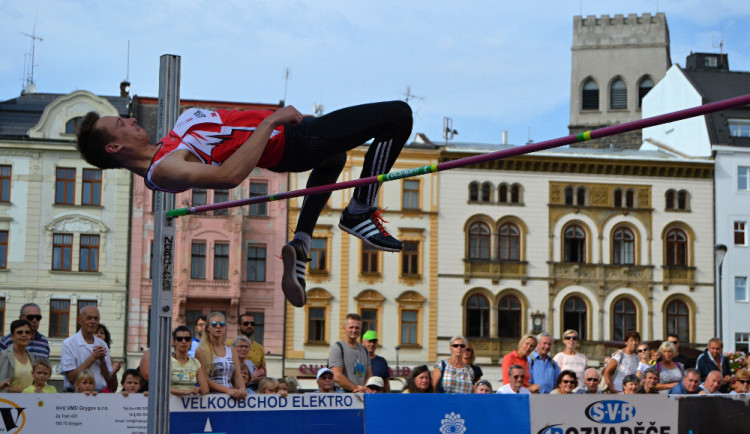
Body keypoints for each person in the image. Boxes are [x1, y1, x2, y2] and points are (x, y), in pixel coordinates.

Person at [77, 102, 414, 308]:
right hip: (291, 141)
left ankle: (301, 241)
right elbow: (228, 176)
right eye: (120, 124)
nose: (130, 121)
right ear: (113, 147)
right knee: (398, 116)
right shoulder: (163, 169)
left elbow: (231, 130)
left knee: (335, 157)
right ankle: (360, 210)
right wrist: (271, 122)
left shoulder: (167, 144)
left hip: (295, 137)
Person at [195, 312, 247, 400]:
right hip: (212, 398)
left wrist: (242, 389)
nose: (218, 327)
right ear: (208, 328)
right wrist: (228, 390)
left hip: (231, 397)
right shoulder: (201, 351)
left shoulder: (232, 349)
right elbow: (205, 379)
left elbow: (237, 375)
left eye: (222, 324)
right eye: (214, 324)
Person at [60, 306, 113, 392]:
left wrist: (102, 361)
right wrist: (93, 358)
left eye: (96, 318)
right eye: (89, 318)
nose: (92, 321)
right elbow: (71, 378)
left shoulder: (102, 344)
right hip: (75, 395)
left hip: (97, 395)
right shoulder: (69, 343)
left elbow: (107, 379)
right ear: (79, 320)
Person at [328, 313, 371, 392]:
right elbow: (337, 376)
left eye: (357, 328)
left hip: (361, 394)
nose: (354, 330)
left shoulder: (365, 350)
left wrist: (365, 388)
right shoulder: (338, 348)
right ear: (344, 328)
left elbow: (369, 376)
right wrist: (356, 389)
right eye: (351, 327)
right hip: (343, 394)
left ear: (361, 330)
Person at [171, 325, 208, 396]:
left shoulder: (195, 362)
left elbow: (205, 389)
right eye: (179, 339)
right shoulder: (167, 362)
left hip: (190, 405)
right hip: (170, 404)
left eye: (187, 339)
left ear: (191, 341)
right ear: (174, 342)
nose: (184, 341)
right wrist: (185, 392)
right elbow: (161, 387)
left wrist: (198, 390)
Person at [0, 319, 37, 392]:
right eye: (19, 332)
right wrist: (27, 390)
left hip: (30, 401)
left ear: (31, 336)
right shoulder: (3, 356)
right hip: (8, 402)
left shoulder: (33, 358)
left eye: (27, 332)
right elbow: (2, 388)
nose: (24, 335)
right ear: (12, 336)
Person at [238, 313, 266, 389]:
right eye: (246, 323)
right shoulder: (229, 344)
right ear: (239, 326)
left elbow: (263, 373)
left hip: (254, 391)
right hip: (236, 389)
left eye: (252, 324)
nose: (249, 326)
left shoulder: (260, 348)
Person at [96, 323, 122, 393]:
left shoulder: (109, 359)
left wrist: (114, 373)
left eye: (102, 333)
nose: (99, 335)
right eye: (96, 332)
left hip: (105, 396)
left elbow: (113, 388)